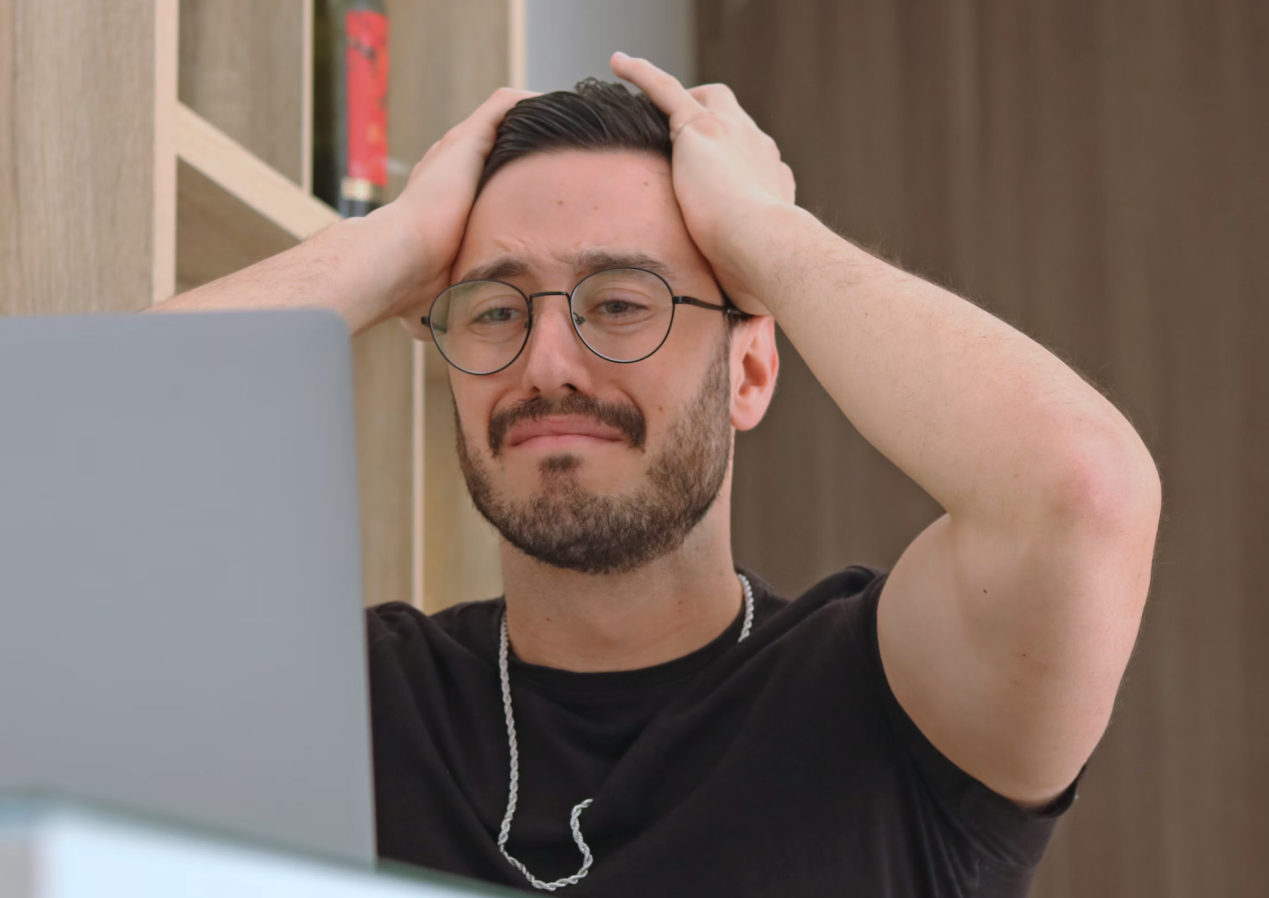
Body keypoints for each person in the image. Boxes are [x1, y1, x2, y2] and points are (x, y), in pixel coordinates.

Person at [154, 53, 1161, 897]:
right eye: (497, 311)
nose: (546, 361)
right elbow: (43, 490)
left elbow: (1079, 491)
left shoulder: (892, 707)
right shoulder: (356, 710)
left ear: (751, 369)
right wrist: (392, 243)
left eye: (622, 303)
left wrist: (767, 233)